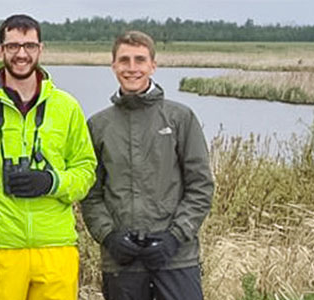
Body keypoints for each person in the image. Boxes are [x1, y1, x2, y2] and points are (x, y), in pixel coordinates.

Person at [0, 14, 97, 300]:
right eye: (13, 46)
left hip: (56, 248)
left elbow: (86, 171)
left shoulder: (66, 107)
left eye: (29, 46)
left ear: (41, 49)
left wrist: (51, 182)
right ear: (0, 51)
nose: (22, 54)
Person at [83, 30, 215, 300]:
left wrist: (175, 236)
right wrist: (109, 237)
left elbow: (201, 186)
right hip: (122, 261)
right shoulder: (98, 125)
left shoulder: (180, 118)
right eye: (125, 60)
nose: (132, 68)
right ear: (113, 66)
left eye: (140, 60)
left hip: (177, 259)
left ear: (153, 65)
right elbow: (90, 193)